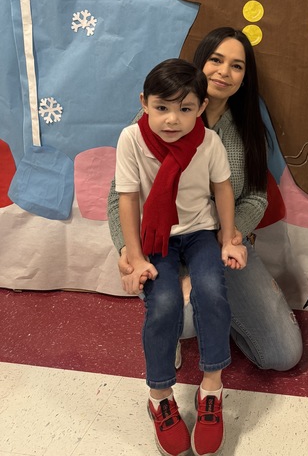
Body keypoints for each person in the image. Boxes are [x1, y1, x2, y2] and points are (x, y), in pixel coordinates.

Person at [107, 27, 302, 373]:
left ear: (245, 77)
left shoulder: (247, 128)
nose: (224, 72)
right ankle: (191, 317)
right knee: (179, 319)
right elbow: (119, 197)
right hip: (162, 243)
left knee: (282, 354)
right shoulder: (154, 121)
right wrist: (128, 250)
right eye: (216, 60)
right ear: (200, 63)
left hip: (222, 241)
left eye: (236, 66)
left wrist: (226, 237)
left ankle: (221, 309)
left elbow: (255, 197)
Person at [116, 57, 247, 456]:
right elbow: (127, 199)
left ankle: (212, 389)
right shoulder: (131, 139)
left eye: (185, 108)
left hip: (199, 233)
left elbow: (223, 188)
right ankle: (159, 395)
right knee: (164, 303)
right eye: (162, 107)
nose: (172, 119)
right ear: (144, 103)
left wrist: (229, 237)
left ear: (201, 108)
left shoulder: (208, 142)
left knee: (212, 291)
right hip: (156, 238)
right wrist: (135, 257)